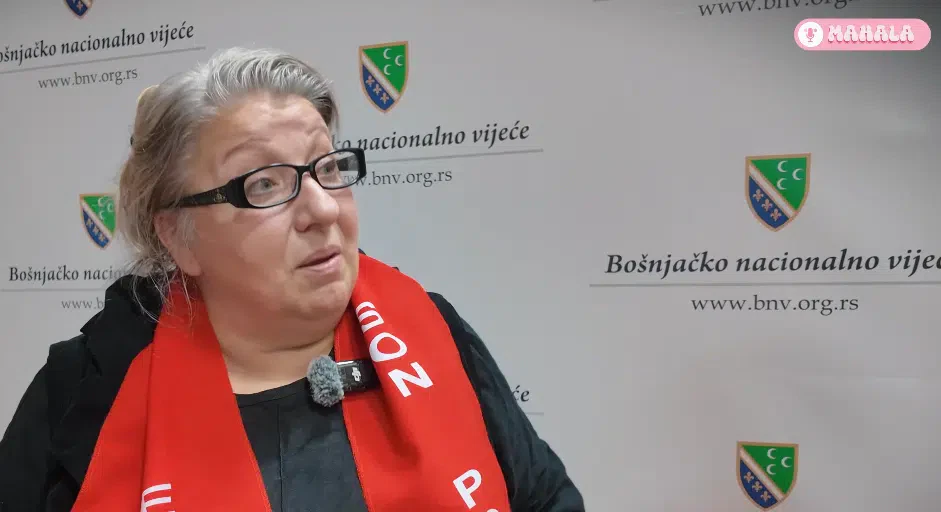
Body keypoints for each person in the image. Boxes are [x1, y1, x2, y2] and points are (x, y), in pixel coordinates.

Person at [0, 47, 584, 511]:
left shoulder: (432, 329)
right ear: (179, 236)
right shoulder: (83, 388)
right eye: (264, 184)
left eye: (327, 167)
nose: (323, 209)